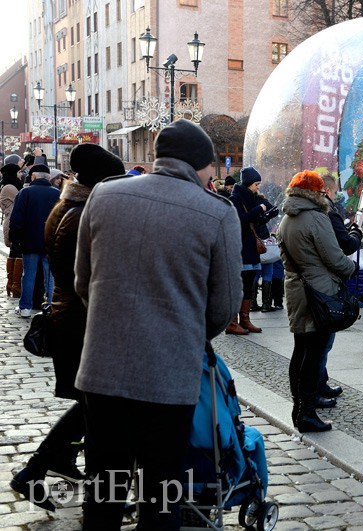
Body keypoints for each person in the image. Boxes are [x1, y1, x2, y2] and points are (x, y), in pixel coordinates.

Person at [73, 118, 241, 529]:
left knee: (104, 490)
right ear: (201, 165)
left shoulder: (104, 196)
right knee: (161, 493)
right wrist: (186, 332)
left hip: (103, 370)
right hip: (169, 377)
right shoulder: (216, 213)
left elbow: (83, 280)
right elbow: (225, 305)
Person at [10, 144, 125, 511]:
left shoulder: (69, 206)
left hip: (68, 318)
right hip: (80, 322)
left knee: (90, 406)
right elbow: (90, 279)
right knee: (99, 408)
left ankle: (55, 463)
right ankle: (37, 472)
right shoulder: (82, 215)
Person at [277, 170, 356, 432]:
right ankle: (307, 414)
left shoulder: (287, 219)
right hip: (319, 294)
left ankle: (298, 409)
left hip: (297, 290)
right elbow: (335, 258)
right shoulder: (316, 219)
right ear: (316, 193)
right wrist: (350, 267)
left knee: (301, 350)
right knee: (313, 354)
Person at [316, 173, 363, 407]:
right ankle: (314, 391)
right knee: (321, 341)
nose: (335, 197)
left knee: (316, 342)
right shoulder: (325, 214)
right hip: (322, 285)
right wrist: (354, 235)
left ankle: (318, 384)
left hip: (310, 283)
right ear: (326, 190)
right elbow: (339, 250)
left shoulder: (304, 215)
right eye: (334, 193)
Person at [226, 166, 278, 334]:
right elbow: (241, 219)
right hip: (240, 248)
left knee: (248, 285)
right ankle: (232, 323)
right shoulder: (235, 198)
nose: (258, 187)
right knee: (238, 285)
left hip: (251, 247)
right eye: (256, 184)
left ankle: (245, 320)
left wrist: (266, 214)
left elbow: (254, 223)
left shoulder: (253, 198)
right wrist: (260, 209)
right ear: (248, 183)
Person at [8, 164, 60, 317]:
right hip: (50, 241)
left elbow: (16, 219)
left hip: (29, 241)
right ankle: (50, 307)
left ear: (33, 177)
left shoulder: (25, 193)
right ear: (49, 178)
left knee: (28, 275)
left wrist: (15, 240)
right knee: (50, 276)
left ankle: (25, 308)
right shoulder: (57, 194)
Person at [1, 162, 24, 297]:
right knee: (17, 251)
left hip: (12, 221)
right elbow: (22, 200)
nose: (21, 174)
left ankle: (12, 284)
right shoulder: (10, 187)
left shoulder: (9, 185)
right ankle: (15, 285)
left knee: (15, 252)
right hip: (12, 222)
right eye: (19, 172)